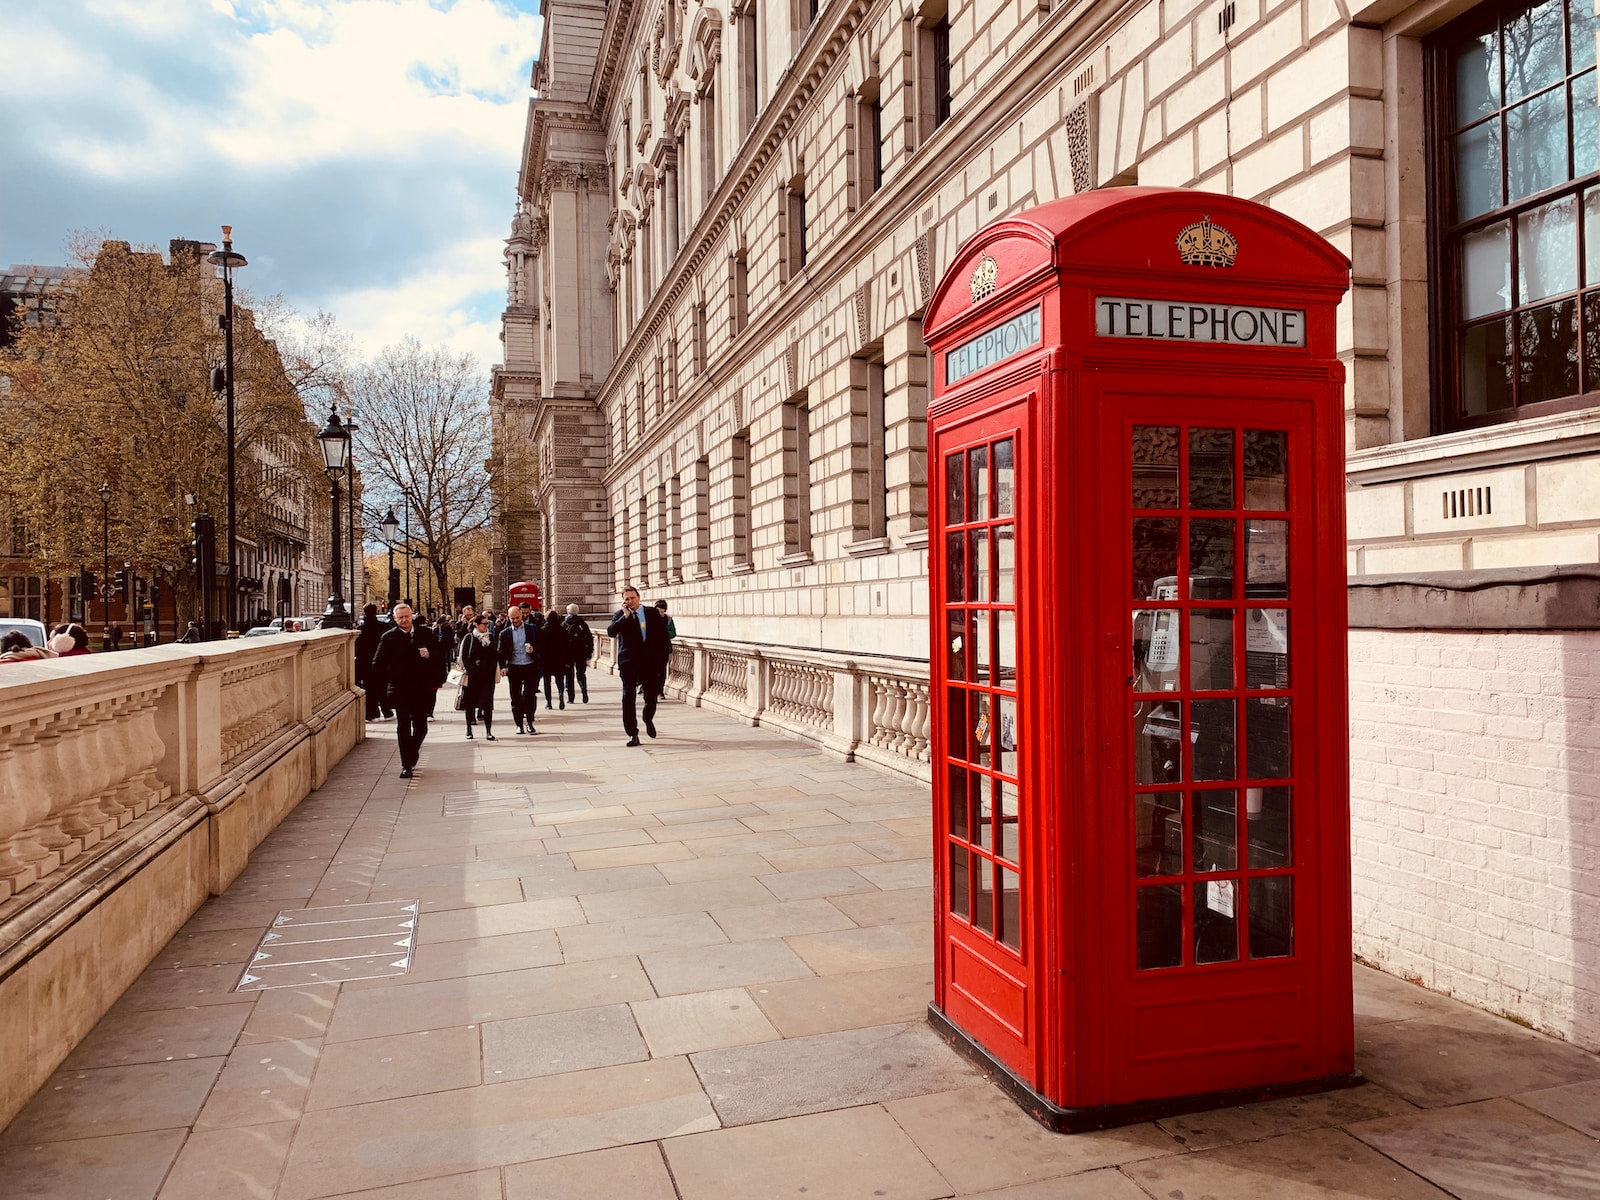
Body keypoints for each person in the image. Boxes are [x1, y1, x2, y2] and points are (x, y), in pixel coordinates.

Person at [371, 603, 448, 779]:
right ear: (395, 619)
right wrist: (392, 675)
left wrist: (430, 654)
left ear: (411, 615)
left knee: (421, 727)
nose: (404, 620)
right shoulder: (388, 638)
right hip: (400, 689)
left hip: (422, 689)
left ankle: (412, 752)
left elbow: (441, 653)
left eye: (407, 616)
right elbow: (377, 664)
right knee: (403, 726)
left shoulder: (425, 633)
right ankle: (406, 765)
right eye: (400, 618)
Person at [606, 585, 669, 746]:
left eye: (632, 598)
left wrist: (661, 656)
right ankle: (632, 733)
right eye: (626, 599)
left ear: (639, 597)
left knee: (651, 696)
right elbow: (611, 632)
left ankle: (647, 718)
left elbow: (662, 635)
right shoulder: (620, 615)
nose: (630, 601)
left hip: (649, 662)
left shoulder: (651, 613)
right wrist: (625, 617)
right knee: (628, 697)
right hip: (628, 662)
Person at [496, 603, 539, 735]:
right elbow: (501, 652)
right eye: (512, 618)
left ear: (522, 615)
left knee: (529, 695)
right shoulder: (505, 633)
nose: (515, 621)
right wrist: (503, 667)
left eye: (517, 617)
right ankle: (519, 724)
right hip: (514, 668)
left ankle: (530, 723)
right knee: (515, 697)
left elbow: (542, 646)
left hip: (530, 666)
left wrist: (533, 650)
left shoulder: (532, 629)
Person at [459, 611, 500, 740]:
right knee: (470, 704)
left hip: (487, 676)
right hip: (473, 676)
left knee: (487, 704)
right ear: (476, 625)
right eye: (483, 624)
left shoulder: (491, 637)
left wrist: (490, 669)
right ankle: (469, 729)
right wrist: (473, 670)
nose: (486, 626)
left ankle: (488, 730)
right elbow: (464, 657)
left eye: (487, 624)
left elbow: (494, 655)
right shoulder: (469, 638)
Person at [354, 603, 385, 721]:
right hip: (379, 661)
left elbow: (357, 648)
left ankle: (370, 713)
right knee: (378, 687)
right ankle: (377, 712)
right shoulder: (383, 627)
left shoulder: (361, 629)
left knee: (367, 687)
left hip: (364, 662)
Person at [561, 603, 593, 704]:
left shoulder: (564, 624)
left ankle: (571, 698)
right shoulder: (582, 624)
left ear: (568, 612)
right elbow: (589, 639)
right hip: (581, 653)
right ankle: (584, 690)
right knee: (581, 674)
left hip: (568, 654)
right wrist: (589, 652)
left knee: (569, 676)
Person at [541, 607, 567, 710]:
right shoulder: (562, 630)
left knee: (547, 682)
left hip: (546, 659)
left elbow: (540, 646)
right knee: (559, 680)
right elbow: (566, 646)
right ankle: (561, 694)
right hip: (559, 659)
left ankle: (549, 702)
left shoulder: (543, 630)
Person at [653, 599, 677, 699]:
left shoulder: (669, 620)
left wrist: (665, 632)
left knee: (662, 671)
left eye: (662, 611)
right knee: (653, 671)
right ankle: (651, 690)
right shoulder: (651, 619)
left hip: (664, 649)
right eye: (659, 611)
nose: (661, 614)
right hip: (653, 649)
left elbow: (673, 633)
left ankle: (660, 691)